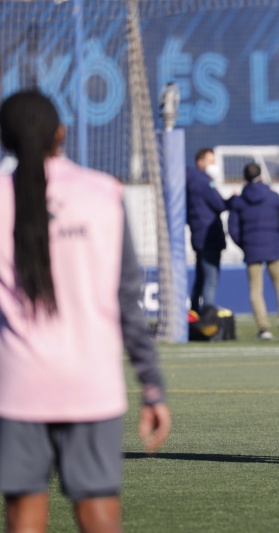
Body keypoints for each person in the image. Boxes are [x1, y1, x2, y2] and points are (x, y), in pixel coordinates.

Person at [0, 90, 171, 532]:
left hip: (17, 388)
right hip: (92, 386)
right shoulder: (103, 193)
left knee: (23, 519)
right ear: (62, 132)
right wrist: (152, 387)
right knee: (98, 516)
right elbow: (127, 299)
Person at [228, 162, 279, 340]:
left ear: (245, 178)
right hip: (273, 248)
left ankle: (263, 328)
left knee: (255, 290)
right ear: (261, 176)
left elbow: (232, 229)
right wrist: (277, 241)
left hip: (251, 250)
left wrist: (245, 245)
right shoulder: (274, 197)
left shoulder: (239, 201)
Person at [186, 147, 228, 312]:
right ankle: (208, 312)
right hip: (208, 238)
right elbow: (219, 204)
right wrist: (232, 200)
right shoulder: (203, 182)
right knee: (210, 278)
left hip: (199, 235)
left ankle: (195, 311)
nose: (214, 165)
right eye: (211, 161)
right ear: (200, 162)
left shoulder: (193, 181)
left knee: (201, 277)